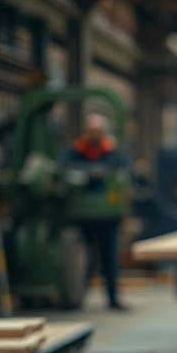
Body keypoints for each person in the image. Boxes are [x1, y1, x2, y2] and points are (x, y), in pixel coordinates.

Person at [64, 112, 129, 311]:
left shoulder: (112, 152)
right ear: (86, 132)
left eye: (98, 131)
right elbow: (67, 166)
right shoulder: (75, 151)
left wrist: (101, 170)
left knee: (110, 256)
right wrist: (90, 171)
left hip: (108, 215)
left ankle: (112, 298)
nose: (95, 135)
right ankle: (79, 298)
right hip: (84, 214)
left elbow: (121, 170)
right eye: (92, 131)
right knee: (85, 257)